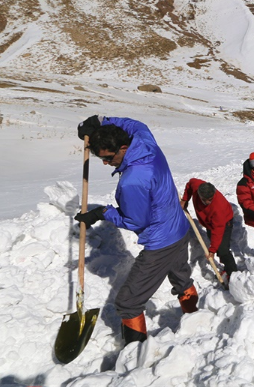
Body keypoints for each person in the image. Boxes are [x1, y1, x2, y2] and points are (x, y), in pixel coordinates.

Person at [74, 116, 197, 345]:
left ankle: (135, 353)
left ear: (122, 148)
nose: (104, 163)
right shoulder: (145, 143)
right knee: (181, 279)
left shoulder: (132, 181)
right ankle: (196, 317)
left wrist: (102, 212)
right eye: (100, 157)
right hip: (179, 228)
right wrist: (101, 120)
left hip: (161, 242)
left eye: (107, 158)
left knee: (128, 303)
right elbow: (138, 125)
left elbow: (134, 221)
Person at [181, 179, 238, 282]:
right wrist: (185, 199)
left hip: (224, 221)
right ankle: (226, 268)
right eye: (206, 199)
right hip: (208, 222)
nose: (208, 202)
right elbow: (190, 183)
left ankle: (233, 273)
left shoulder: (218, 207)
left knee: (223, 249)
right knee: (216, 245)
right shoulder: (197, 185)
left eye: (210, 199)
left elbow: (218, 231)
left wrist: (212, 250)